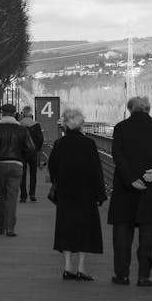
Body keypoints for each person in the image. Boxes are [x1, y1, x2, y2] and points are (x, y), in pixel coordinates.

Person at [107, 96, 152, 287]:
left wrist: (131, 179)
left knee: (122, 234)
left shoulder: (121, 128)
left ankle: (121, 275)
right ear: (148, 109)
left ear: (130, 109)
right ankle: (144, 276)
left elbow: (117, 155)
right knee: (148, 234)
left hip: (125, 188)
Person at [47, 107, 106, 281]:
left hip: (65, 193)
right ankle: (81, 268)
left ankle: (67, 267)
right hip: (86, 193)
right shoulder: (89, 144)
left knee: (66, 228)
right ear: (81, 124)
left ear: (65, 124)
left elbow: (52, 168)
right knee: (84, 229)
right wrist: (100, 194)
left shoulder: (60, 144)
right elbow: (97, 170)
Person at [0, 103, 35, 236]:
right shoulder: (22, 130)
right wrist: (21, 159)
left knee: (1, 195)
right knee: (12, 196)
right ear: (14, 114)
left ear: (2, 114)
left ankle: (0, 225)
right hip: (16, 165)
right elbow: (31, 148)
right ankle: (10, 227)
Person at [18, 107, 45, 203]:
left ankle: (23, 196)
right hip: (33, 153)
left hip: (21, 153)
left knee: (22, 174)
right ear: (31, 114)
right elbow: (41, 139)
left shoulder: (19, 125)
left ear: (23, 114)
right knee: (33, 173)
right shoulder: (36, 125)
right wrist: (37, 149)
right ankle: (32, 194)